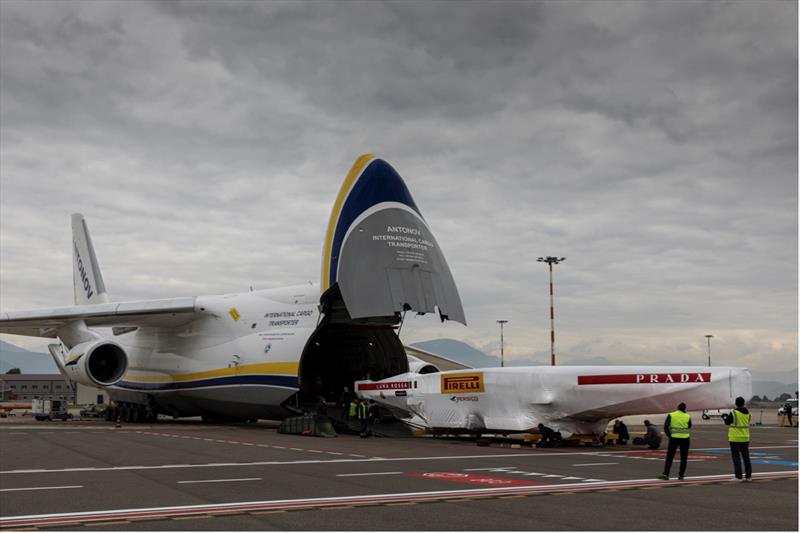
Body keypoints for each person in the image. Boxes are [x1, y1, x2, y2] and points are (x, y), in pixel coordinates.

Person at [659, 402, 692, 480]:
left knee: (670, 456)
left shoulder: (671, 414)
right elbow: (689, 425)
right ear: (685, 408)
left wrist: (669, 435)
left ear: (677, 407)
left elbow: (666, 426)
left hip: (674, 438)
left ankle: (666, 474)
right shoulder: (687, 416)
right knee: (684, 457)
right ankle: (681, 475)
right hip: (685, 438)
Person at [724, 396, 752, 481]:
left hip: (735, 438)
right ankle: (748, 476)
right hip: (745, 437)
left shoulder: (734, 412)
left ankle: (738, 476)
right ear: (743, 403)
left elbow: (727, 422)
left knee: (736, 458)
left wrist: (725, 417)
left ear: (736, 404)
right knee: (746, 458)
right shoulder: (748, 413)